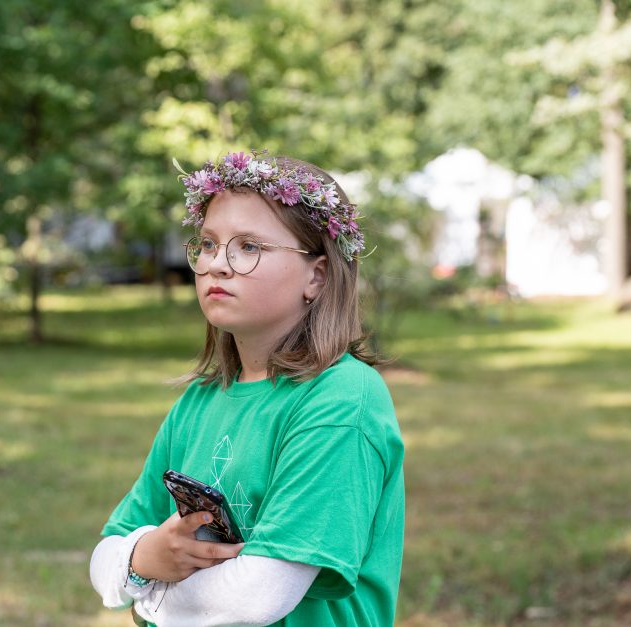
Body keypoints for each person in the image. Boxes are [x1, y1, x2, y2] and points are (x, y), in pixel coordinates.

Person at [89, 151, 405, 627]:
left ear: (316, 277)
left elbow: (259, 595)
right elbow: (105, 559)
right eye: (209, 245)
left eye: (249, 247)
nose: (217, 264)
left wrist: (145, 592)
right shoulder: (199, 401)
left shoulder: (341, 398)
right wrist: (144, 557)